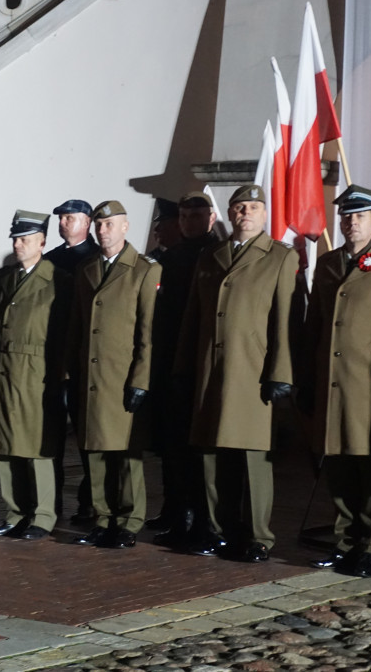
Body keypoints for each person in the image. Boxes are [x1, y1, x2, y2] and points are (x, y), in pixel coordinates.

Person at [175, 184, 297, 563]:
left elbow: (286, 320)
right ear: (229, 214)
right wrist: (183, 366)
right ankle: (219, 529)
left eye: (253, 207)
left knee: (252, 456)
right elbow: (193, 316)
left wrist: (281, 371)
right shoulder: (211, 255)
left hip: (252, 371)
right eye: (239, 207)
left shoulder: (279, 257)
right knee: (211, 452)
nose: (245, 213)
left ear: (265, 214)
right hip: (211, 370)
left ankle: (258, 535)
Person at [300, 185, 371, 577]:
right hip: (331, 386)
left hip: (370, 387)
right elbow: (314, 325)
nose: (351, 223)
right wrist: (307, 379)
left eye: (360, 216)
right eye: (346, 216)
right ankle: (346, 541)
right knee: (338, 466)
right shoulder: (330, 264)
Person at [68, 200, 160, 549]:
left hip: (122, 377)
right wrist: (69, 371)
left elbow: (147, 333)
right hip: (91, 377)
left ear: (125, 227)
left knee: (125, 454)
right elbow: (77, 325)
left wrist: (140, 379)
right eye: (99, 225)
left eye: (110, 225)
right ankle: (102, 518)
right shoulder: (87, 268)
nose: (102, 231)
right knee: (93, 451)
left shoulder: (143, 269)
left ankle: (128, 521)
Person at [0, 210, 70, 540]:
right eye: (16, 239)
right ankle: (15, 512)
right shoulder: (4, 279)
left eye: (26, 239)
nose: (18, 245)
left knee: (37, 446)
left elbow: (63, 333)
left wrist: (61, 375)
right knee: (6, 444)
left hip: (38, 371)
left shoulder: (58, 280)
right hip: (4, 369)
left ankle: (43, 515)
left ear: (42, 242)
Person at [147, 191, 219, 548]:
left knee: (200, 451)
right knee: (172, 445)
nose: (189, 223)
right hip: (169, 363)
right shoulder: (170, 259)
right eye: (185, 217)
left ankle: (203, 520)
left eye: (196, 216)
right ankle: (179, 514)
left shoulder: (217, 256)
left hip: (200, 364)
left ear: (210, 218)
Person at [44, 198, 98, 523]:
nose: (64, 223)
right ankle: (51, 501)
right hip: (51, 357)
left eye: (71, 218)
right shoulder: (50, 259)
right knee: (50, 436)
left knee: (87, 436)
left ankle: (89, 502)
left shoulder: (94, 259)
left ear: (87, 222)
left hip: (81, 359)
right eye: (62, 218)